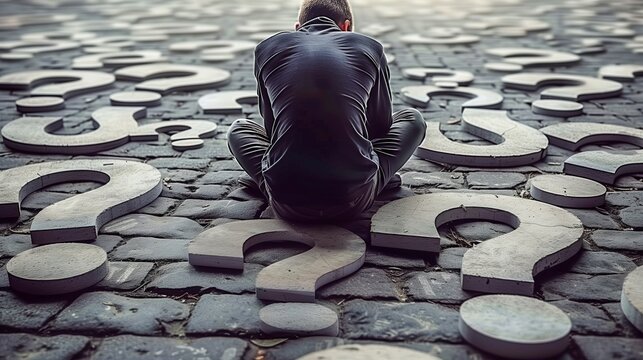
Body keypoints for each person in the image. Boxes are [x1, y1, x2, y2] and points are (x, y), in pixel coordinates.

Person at [227, 0, 426, 222]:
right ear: (346, 26)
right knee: (413, 119)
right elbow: (380, 127)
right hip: (354, 199)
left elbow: (272, 131)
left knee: (238, 129)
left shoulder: (267, 48)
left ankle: (267, 181)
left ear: (297, 27)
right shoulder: (370, 46)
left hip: (286, 201)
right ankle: (377, 177)